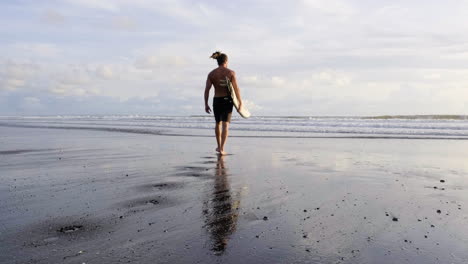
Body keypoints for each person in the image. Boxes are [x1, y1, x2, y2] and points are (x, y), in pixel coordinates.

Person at [204, 51, 243, 155]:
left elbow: (207, 90)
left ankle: (218, 146)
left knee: (217, 124)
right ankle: (222, 148)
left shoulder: (211, 74)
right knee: (226, 125)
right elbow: (236, 89)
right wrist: (240, 103)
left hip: (216, 100)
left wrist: (206, 104)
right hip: (227, 101)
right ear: (226, 61)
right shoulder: (230, 73)